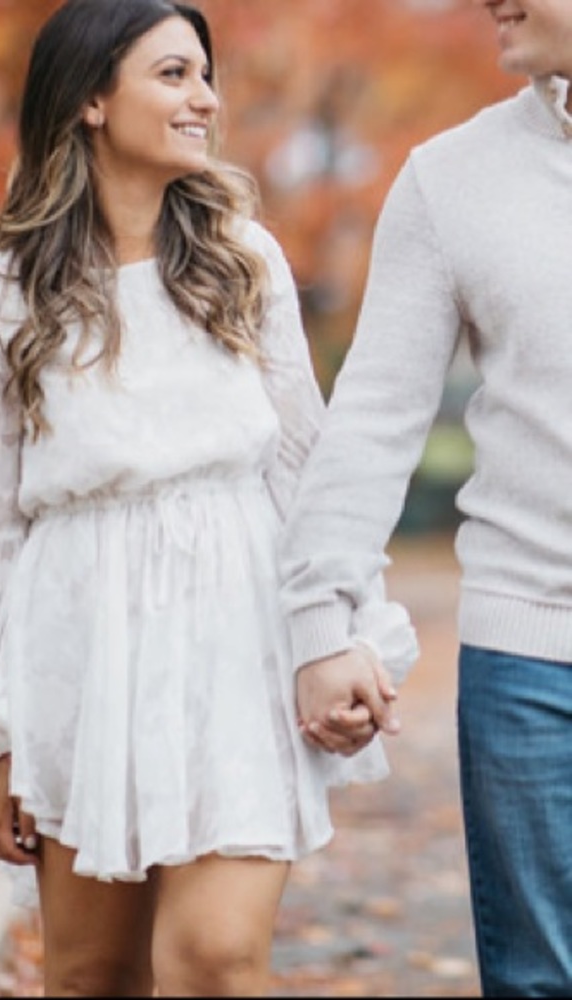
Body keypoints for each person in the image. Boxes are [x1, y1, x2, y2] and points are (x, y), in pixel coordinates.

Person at [0, 1, 416, 995]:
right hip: (78, 650)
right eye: (173, 74)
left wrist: (346, 632)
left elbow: (307, 473)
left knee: (215, 957)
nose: (206, 99)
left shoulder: (243, 262)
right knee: (93, 971)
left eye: (204, 75)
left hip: (235, 631)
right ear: (91, 97)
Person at [278, 0, 572, 995]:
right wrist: (320, 619)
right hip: (531, 654)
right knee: (540, 980)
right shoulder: (449, 181)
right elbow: (373, 416)